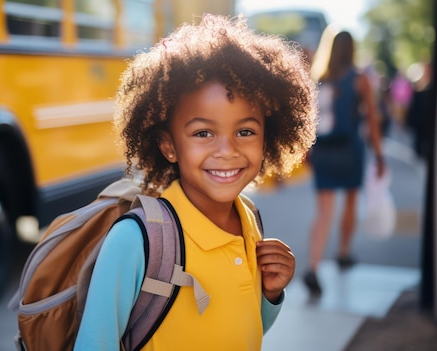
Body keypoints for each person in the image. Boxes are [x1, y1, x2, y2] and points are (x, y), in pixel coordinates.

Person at [74, 14, 317, 350]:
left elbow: (245, 328)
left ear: (266, 139)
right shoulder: (137, 239)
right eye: (203, 133)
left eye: (245, 131)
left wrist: (270, 293)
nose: (227, 151)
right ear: (169, 145)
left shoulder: (249, 219)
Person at [304, 27, 386, 297]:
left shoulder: (319, 79)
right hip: (350, 149)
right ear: (352, 49)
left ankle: (313, 267)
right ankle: (343, 251)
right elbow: (372, 120)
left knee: (323, 211)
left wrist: (307, 153)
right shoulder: (359, 80)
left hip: (324, 151)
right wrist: (379, 154)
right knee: (350, 202)